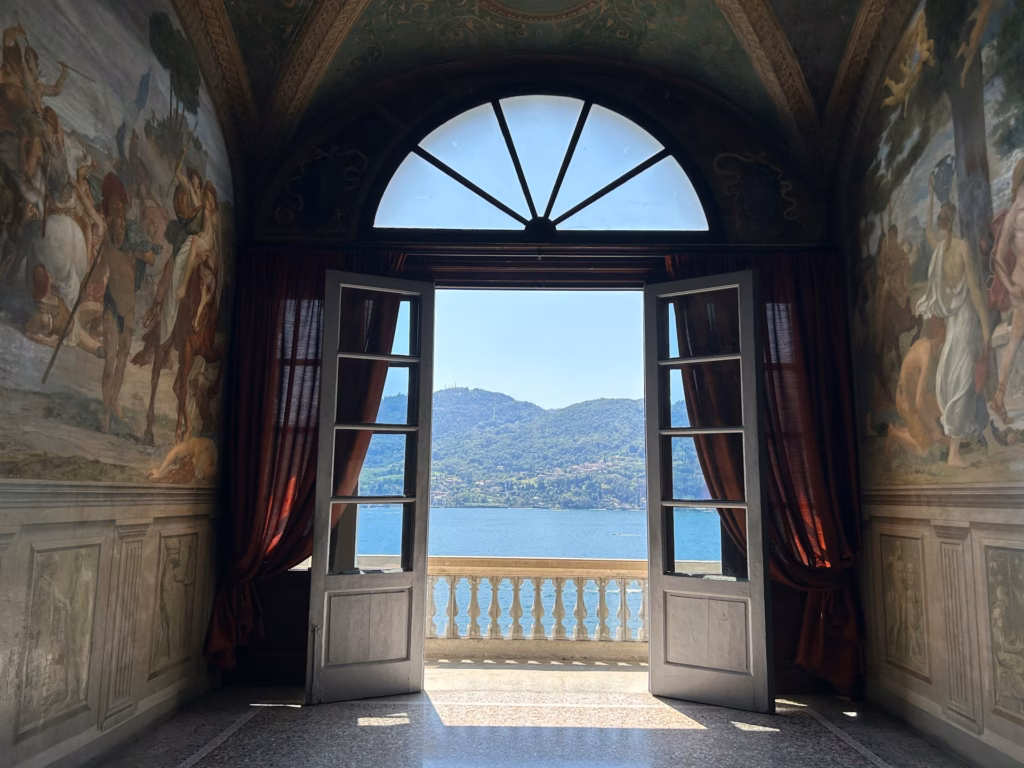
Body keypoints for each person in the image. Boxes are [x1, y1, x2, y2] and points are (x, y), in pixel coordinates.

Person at [916, 184, 992, 468]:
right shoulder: (960, 248)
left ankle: (968, 439)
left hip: (952, 322)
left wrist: (932, 196)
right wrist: (986, 327)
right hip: (966, 319)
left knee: (956, 373)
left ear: (942, 222)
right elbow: (973, 288)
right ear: (956, 221)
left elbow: (927, 232)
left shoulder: (939, 250)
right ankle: (954, 453)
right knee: (960, 379)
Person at [990, 158, 1024, 422]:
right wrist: (1011, 285)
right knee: (1014, 341)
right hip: (1021, 285)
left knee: (1015, 341)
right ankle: (999, 397)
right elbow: (998, 258)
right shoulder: (1014, 215)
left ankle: (1000, 397)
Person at [885, 318, 948, 457]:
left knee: (937, 413)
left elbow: (922, 393)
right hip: (906, 402)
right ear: (938, 333)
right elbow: (919, 404)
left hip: (914, 398)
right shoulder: (925, 356)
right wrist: (933, 427)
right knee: (924, 450)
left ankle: (926, 434)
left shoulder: (925, 344)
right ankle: (895, 434)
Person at [23, 263, 104, 357]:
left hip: (74, 316)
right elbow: (28, 332)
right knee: (99, 350)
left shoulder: (53, 293)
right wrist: (47, 342)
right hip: (72, 333)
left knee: (100, 308)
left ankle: (97, 332)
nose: (50, 274)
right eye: (48, 273)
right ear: (46, 280)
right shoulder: (43, 314)